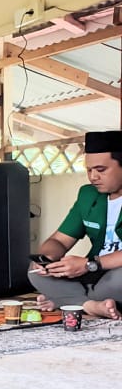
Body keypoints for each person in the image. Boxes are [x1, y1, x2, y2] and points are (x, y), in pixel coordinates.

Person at [30, 130, 122, 319]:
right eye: (89, 170)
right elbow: (59, 240)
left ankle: (69, 300)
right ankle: (91, 305)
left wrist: (90, 265)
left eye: (101, 170)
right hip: (93, 275)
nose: (93, 177)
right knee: (34, 272)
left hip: (112, 274)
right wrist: (48, 259)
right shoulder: (88, 195)